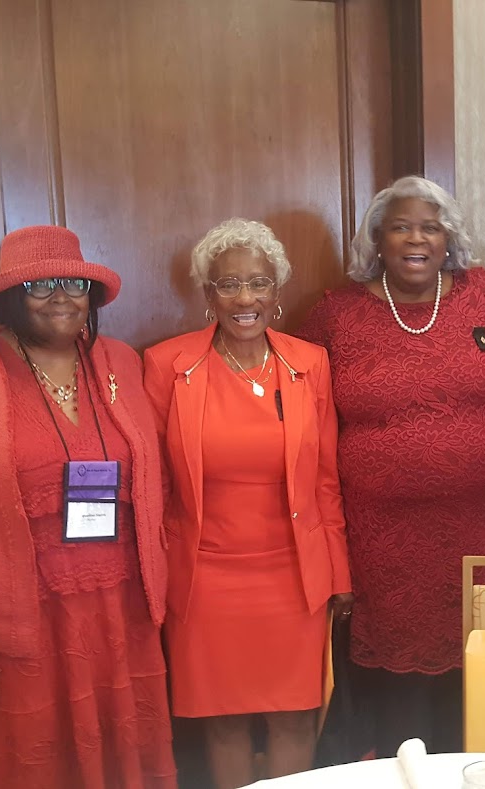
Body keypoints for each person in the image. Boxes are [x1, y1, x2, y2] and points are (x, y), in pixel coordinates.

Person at [0, 225, 177, 788]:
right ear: (8, 299)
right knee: (32, 761)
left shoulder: (120, 361)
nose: (62, 296)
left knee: (126, 755)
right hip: (16, 615)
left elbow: (157, 481)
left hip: (120, 606)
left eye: (74, 282)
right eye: (40, 284)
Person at [298, 176, 485, 756]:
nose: (416, 238)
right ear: (377, 239)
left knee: (477, 675)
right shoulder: (335, 316)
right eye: (400, 226)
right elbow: (302, 407)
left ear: (450, 238)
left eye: (430, 226)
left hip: (480, 535)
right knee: (390, 693)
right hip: (379, 543)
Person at [143, 218, 352, 789]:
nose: (244, 298)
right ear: (207, 294)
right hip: (205, 578)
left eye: (257, 283)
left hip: (293, 577)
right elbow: (154, 486)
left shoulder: (309, 364)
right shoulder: (167, 366)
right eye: (227, 285)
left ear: (276, 292)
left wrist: (338, 573)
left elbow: (327, 480)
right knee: (223, 722)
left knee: (294, 715)